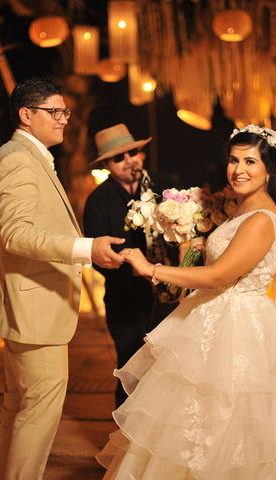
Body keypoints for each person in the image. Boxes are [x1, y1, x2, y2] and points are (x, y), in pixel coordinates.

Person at [96, 125, 276, 479]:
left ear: (269, 170)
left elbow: (217, 277)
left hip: (239, 331)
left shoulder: (261, 220)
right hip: (215, 319)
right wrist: (200, 244)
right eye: (233, 160)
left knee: (230, 425)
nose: (238, 169)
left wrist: (152, 268)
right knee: (195, 424)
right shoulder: (242, 210)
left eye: (250, 161)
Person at [0, 76, 126, 480]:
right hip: (33, 310)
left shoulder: (30, 156)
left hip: (33, 307)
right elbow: (16, 234)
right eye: (54, 112)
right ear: (26, 115)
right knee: (36, 410)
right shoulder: (16, 158)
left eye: (65, 112)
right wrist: (86, 248)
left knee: (21, 408)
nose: (63, 120)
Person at [84, 123, 177, 408]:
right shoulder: (97, 201)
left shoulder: (165, 186)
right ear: (107, 165)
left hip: (170, 295)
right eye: (119, 157)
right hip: (125, 299)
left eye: (133, 152)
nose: (129, 161)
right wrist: (122, 263)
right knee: (130, 366)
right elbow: (95, 254)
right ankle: (124, 439)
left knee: (170, 368)